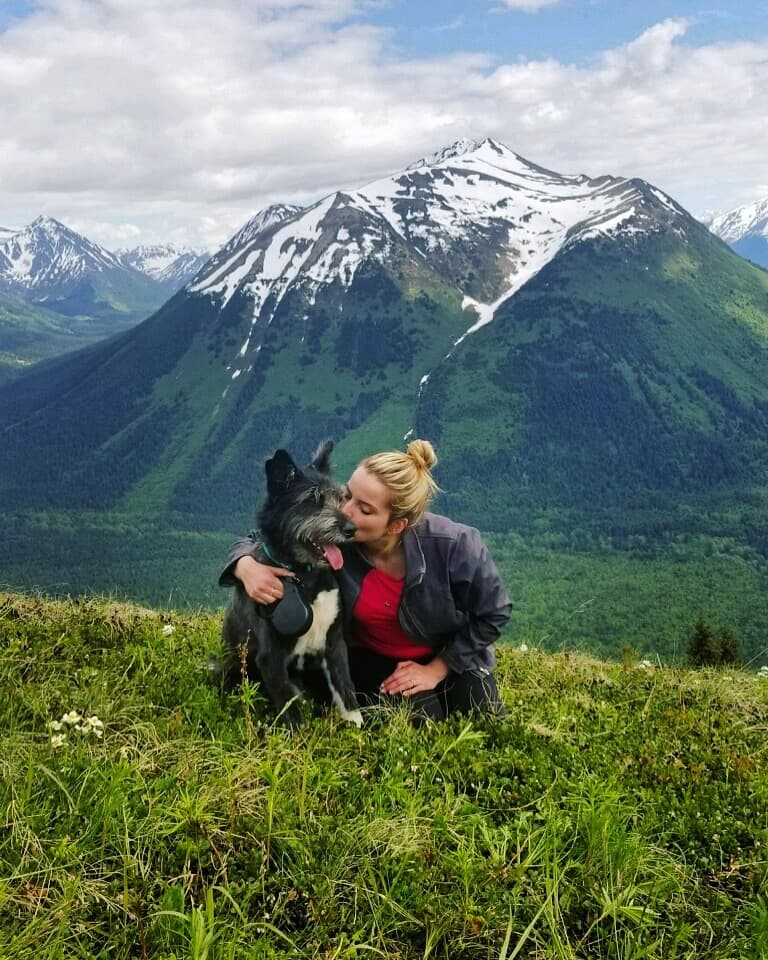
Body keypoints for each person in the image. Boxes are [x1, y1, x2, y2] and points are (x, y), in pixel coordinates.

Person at [219, 440, 512, 722]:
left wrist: (438, 668)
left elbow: (494, 612)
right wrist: (244, 566)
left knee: (483, 718)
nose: (346, 512)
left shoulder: (455, 545)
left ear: (396, 525)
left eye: (365, 509)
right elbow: (262, 536)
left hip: (449, 655)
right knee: (424, 721)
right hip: (377, 660)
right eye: (347, 495)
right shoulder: (337, 542)